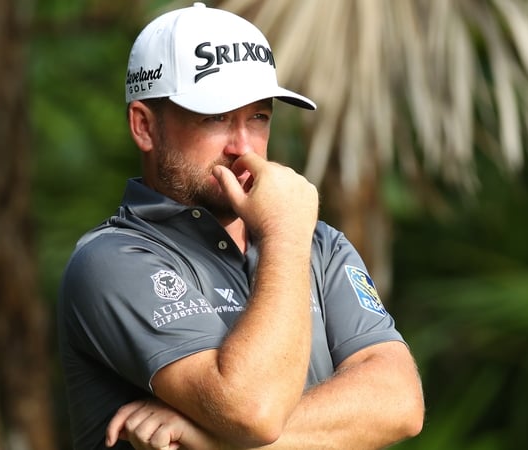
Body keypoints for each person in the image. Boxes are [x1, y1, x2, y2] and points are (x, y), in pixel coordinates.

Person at [57, 2, 425, 449]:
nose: (243, 146)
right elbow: (254, 410)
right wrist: (285, 237)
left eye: (259, 117)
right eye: (215, 117)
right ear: (144, 127)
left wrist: (213, 440)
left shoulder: (321, 244)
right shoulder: (112, 260)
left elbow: (400, 402)